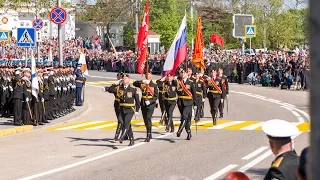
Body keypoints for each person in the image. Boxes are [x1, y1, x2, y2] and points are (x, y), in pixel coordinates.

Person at [109, 74, 140, 146]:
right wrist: (115, 84)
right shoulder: (119, 88)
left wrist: (137, 110)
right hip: (122, 108)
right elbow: (111, 90)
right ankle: (132, 139)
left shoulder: (133, 89)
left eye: (126, 78)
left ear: (129, 80)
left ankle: (122, 137)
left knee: (126, 122)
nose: (124, 80)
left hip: (130, 109)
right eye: (123, 78)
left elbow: (137, 101)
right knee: (127, 124)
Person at [133, 72, 159, 142]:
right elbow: (134, 83)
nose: (147, 75)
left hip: (151, 103)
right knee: (145, 119)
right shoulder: (143, 83)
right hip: (143, 102)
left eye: (149, 74)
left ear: (151, 75)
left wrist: (150, 101)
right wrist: (142, 81)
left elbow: (156, 96)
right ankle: (149, 132)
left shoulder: (154, 85)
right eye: (146, 74)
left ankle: (148, 134)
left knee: (148, 118)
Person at [102, 72, 124, 141]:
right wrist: (106, 88)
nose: (120, 78)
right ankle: (125, 135)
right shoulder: (116, 84)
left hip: (124, 104)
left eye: (121, 77)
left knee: (122, 120)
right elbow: (111, 89)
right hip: (117, 104)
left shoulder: (124, 85)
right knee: (120, 120)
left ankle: (117, 135)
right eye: (119, 77)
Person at [176, 69, 195, 140]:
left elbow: (194, 93)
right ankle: (189, 132)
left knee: (184, 116)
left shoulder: (191, 82)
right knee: (186, 119)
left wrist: (195, 104)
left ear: (187, 74)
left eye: (184, 73)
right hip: (180, 102)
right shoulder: (178, 82)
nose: (182, 74)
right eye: (181, 73)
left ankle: (180, 130)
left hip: (188, 102)